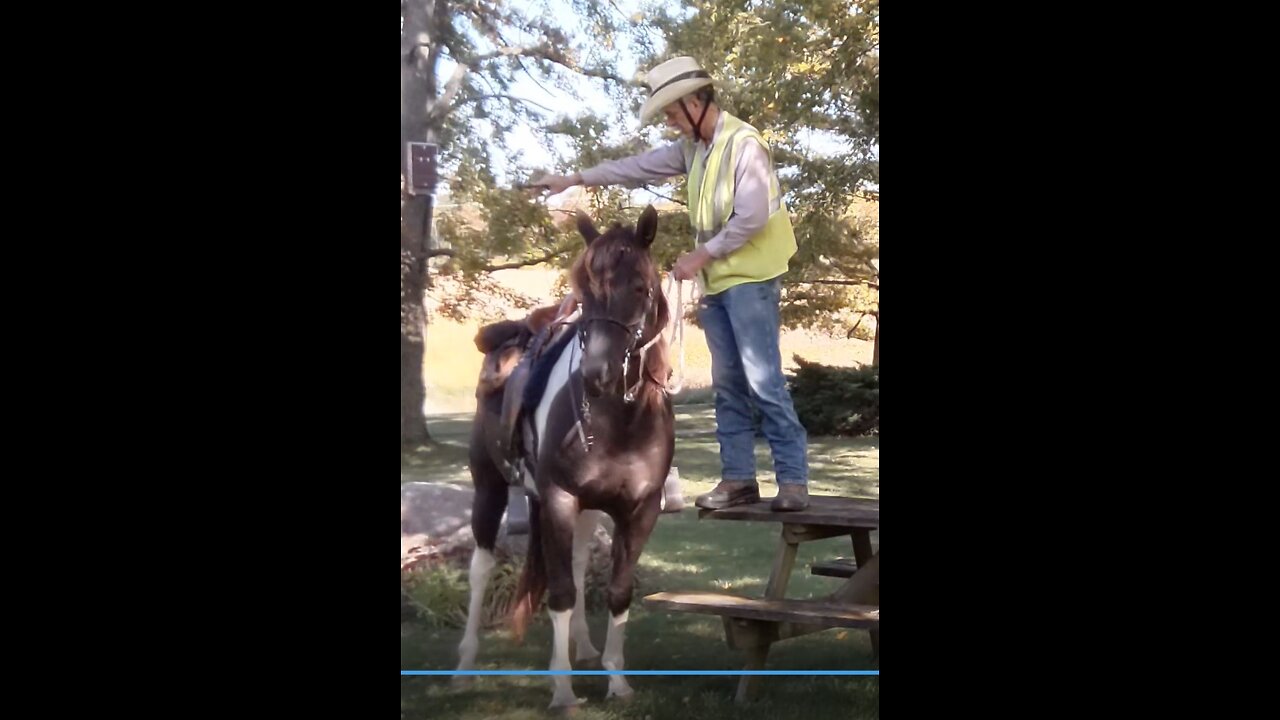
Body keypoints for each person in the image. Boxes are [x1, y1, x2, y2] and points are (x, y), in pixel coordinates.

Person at [530, 56, 809, 511]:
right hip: (718, 283)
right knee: (727, 384)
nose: (670, 121)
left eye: (673, 112)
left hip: (752, 279)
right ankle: (738, 478)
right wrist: (576, 178)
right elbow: (637, 167)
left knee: (763, 381)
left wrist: (700, 255)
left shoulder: (744, 145)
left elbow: (752, 217)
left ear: (696, 102)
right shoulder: (693, 149)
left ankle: (793, 481)